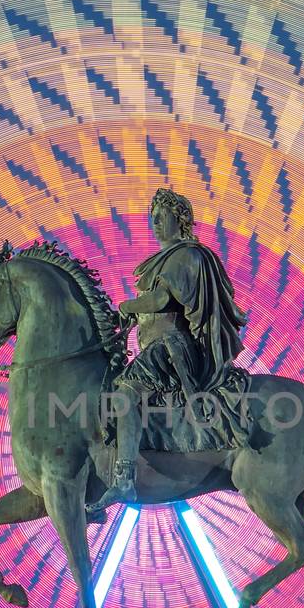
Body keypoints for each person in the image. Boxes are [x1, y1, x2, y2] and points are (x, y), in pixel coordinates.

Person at [86, 187, 247, 513]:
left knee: (125, 392)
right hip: (156, 345)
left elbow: (161, 301)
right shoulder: (170, 258)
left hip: (173, 346)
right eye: (153, 217)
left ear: (181, 219)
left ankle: (125, 479)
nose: (155, 222)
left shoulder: (186, 255)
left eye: (163, 217)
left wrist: (127, 304)